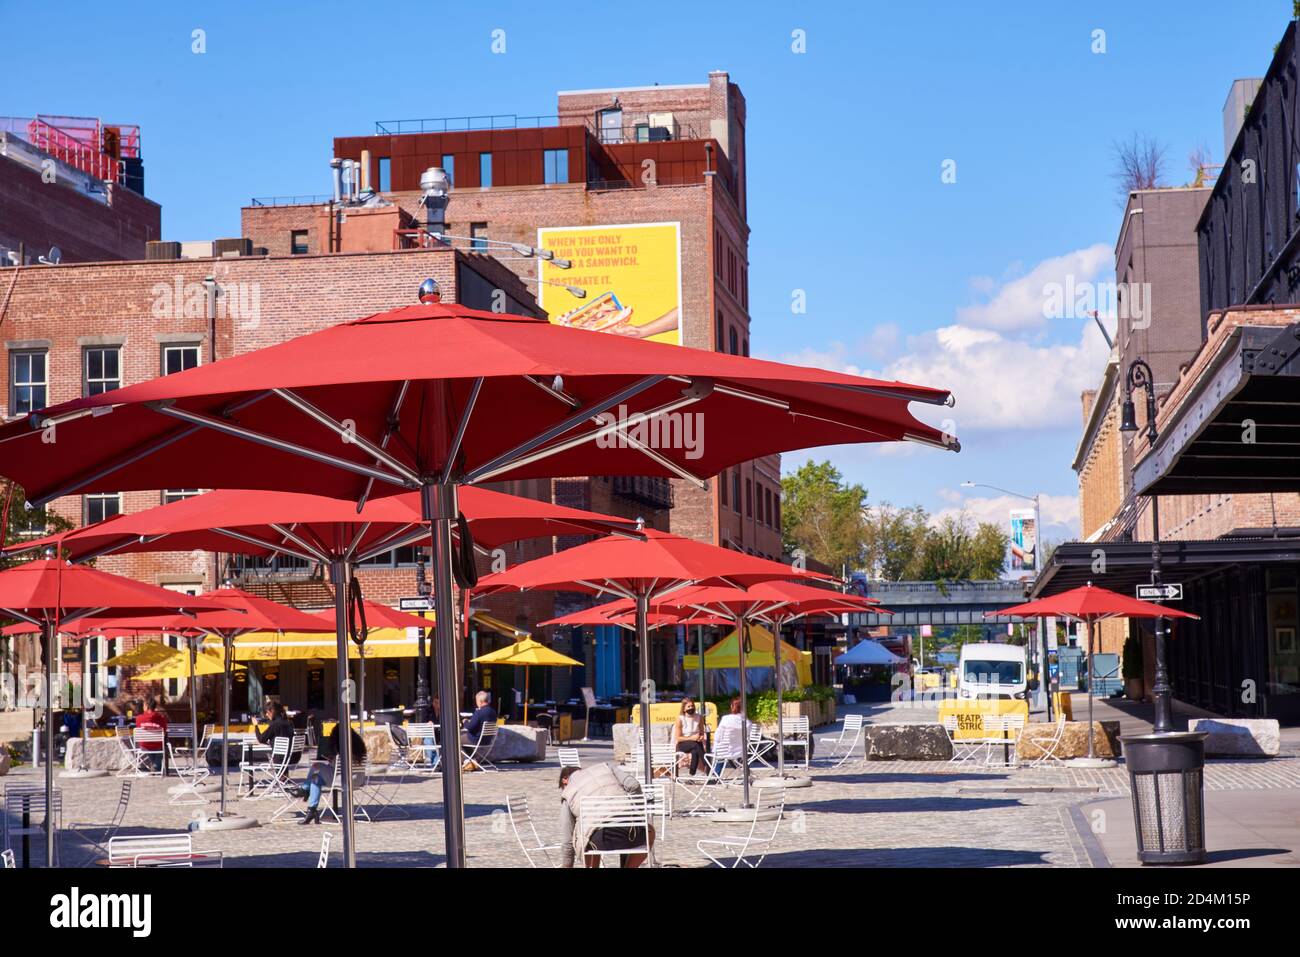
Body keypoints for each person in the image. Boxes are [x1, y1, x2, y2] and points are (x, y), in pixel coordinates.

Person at [557, 762, 655, 868]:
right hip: (632, 833)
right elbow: (633, 785)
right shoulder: (605, 767)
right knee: (649, 831)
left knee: (587, 836)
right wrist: (636, 813)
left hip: (598, 841)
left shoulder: (567, 793)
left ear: (565, 780)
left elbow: (567, 838)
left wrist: (567, 865)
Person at [301, 722, 367, 825]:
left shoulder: (341, 749)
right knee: (315, 779)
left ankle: (305, 791)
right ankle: (311, 809)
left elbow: (335, 767)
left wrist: (330, 759)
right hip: (358, 780)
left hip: (342, 780)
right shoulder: (359, 746)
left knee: (316, 767)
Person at [671, 697, 708, 775]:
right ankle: (707, 765)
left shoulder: (699, 717)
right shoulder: (680, 719)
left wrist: (701, 736)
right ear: (684, 709)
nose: (691, 708)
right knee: (696, 745)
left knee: (695, 751)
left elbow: (701, 731)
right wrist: (692, 738)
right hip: (683, 743)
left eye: (692, 706)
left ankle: (691, 774)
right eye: (689, 706)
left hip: (696, 743)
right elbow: (678, 738)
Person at [135, 695, 169, 771]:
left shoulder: (138, 718)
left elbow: (138, 729)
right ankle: (156, 766)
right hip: (158, 744)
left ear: (146, 706)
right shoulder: (161, 718)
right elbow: (164, 730)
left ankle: (155, 766)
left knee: (150, 744)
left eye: (143, 705)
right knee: (161, 745)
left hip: (144, 745)